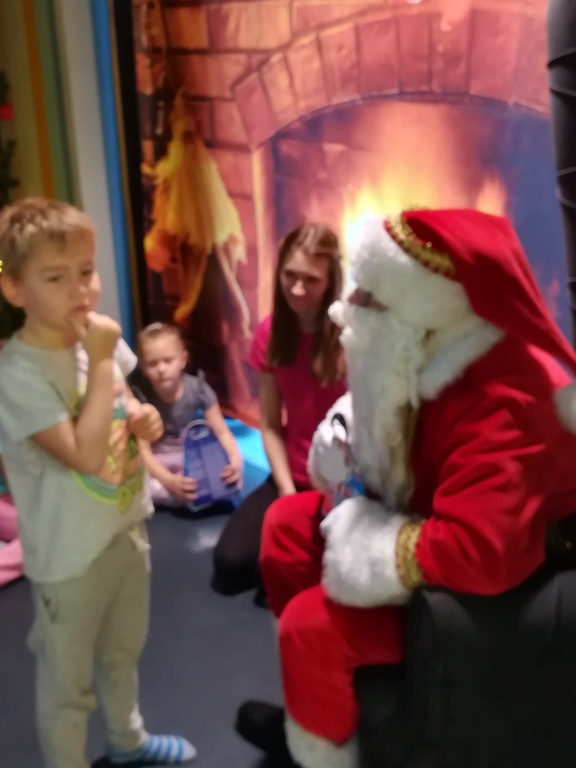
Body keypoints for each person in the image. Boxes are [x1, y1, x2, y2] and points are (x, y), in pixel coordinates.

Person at [235, 208, 576, 768]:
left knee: (308, 628)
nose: (346, 307)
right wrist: (347, 441)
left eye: (368, 297)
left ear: (421, 312)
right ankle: (323, 710)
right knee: (286, 528)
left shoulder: (503, 401)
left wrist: (361, 542)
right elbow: (399, 428)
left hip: (491, 594)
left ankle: (332, 748)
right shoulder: (426, 346)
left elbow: (480, 553)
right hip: (426, 516)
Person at [0, 198, 196, 768]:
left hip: (125, 529)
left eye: (86, 271)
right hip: (67, 559)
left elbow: (127, 407)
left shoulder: (98, 345)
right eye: (55, 278)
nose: (80, 290)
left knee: (121, 652)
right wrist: (103, 358)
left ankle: (127, 741)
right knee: (68, 685)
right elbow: (85, 455)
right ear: (14, 289)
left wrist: (145, 420)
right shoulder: (20, 374)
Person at [211, 223, 347, 601]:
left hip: (342, 481)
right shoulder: (270, 333)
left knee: (282, 580)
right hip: (292, 473)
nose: (298, 289)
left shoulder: (349, 335)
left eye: (311, 279)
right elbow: (270, 424)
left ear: (330, 280)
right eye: (290, 275)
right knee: (230, 564)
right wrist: (287, 493)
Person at [136, 321, 243, 508]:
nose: (161, 369)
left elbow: (221, 431)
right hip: (159, 457)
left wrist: (236, 461)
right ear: (144, 368)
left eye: (168, 361)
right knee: (143, 486)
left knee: (227, 476)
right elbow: (143, 450)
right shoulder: (142, 397)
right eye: (152, 364)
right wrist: (170, 481)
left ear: (183, 360)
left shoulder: (199, 389)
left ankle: (192, 492)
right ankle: (183, 494)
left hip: (191, 452)